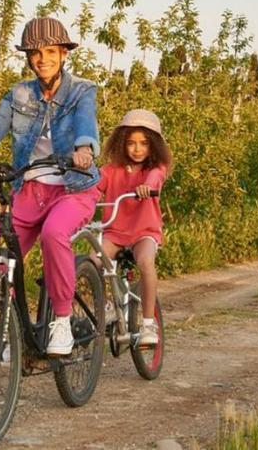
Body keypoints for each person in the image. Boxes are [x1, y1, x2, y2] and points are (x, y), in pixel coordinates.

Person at [0, 17, 101, 356]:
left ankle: (61, 321)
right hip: (31, 190)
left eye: (50, 52)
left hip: (74, 186)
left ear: (63, 54)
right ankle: (10, 333)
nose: (42, 59)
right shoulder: (19, 94)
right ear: (28, 57)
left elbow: (86, 122)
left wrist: (84, 149)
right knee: (0, 259)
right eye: (35, 53)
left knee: (54, 234)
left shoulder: (82, 90)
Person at [96, 109, 172, 346]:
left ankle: (149, 323)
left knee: (146, 263)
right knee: (94, 260)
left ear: (154, 146)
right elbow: (94, 185)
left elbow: (156, 180)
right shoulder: (111, 170)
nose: (137, 149)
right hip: (114, 231)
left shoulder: (154, 170)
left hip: (144, 232)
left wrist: (146, 188)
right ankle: (107, 306)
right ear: (121, 144)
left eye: (144, 143)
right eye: (131, 143)